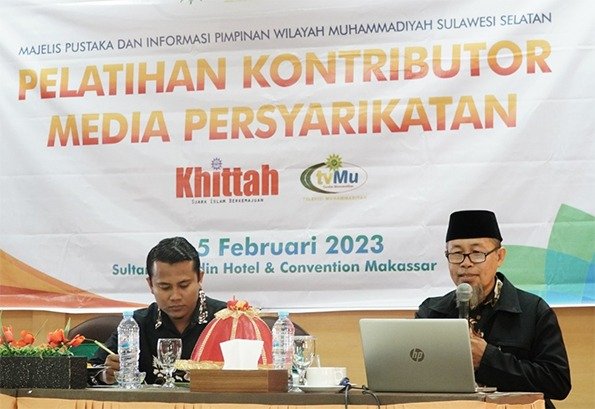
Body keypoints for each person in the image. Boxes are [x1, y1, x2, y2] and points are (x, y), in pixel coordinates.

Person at [415, 210, 571, 409]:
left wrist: (487, 359)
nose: (465, 263)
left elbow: (557, 383)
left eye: (477, 253)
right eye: (456, 254)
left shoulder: (533, 310)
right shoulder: (431, 313)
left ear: (499, 256)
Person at [90, 236, 227, 385]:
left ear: (200, 278)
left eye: (184, 285)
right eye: (165, 287)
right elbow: (91, 369)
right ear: (150, 285)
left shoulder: (227, 319)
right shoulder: (136, 324)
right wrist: (105, 375)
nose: (175, 296)